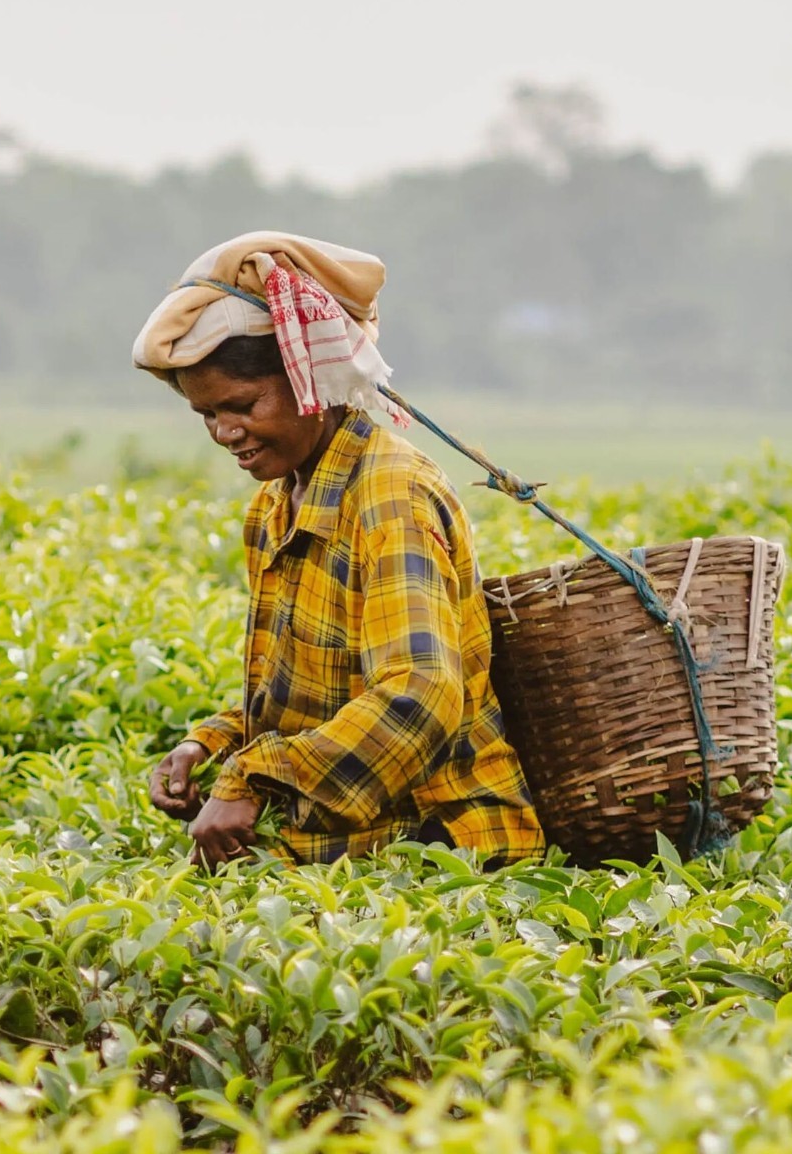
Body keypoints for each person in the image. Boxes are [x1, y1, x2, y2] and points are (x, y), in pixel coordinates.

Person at [134, 232, 545, 869]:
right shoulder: (275, 505)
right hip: (345, 844)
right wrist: (209, 747)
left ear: (309, 381)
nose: (224, 433)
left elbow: (419, 695)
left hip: (445, 852)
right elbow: (298, 695)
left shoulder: (391, 496)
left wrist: (256, 780)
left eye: (241, 405)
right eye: (205, 415)